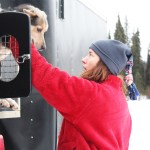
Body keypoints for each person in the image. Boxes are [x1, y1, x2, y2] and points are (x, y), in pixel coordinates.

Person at [31, 39, 132, 150]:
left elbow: (47, 77)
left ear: (104, 62)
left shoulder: (93, 95)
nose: (83, 59)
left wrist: (23, 43)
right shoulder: (120, 100)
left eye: (90, 55)